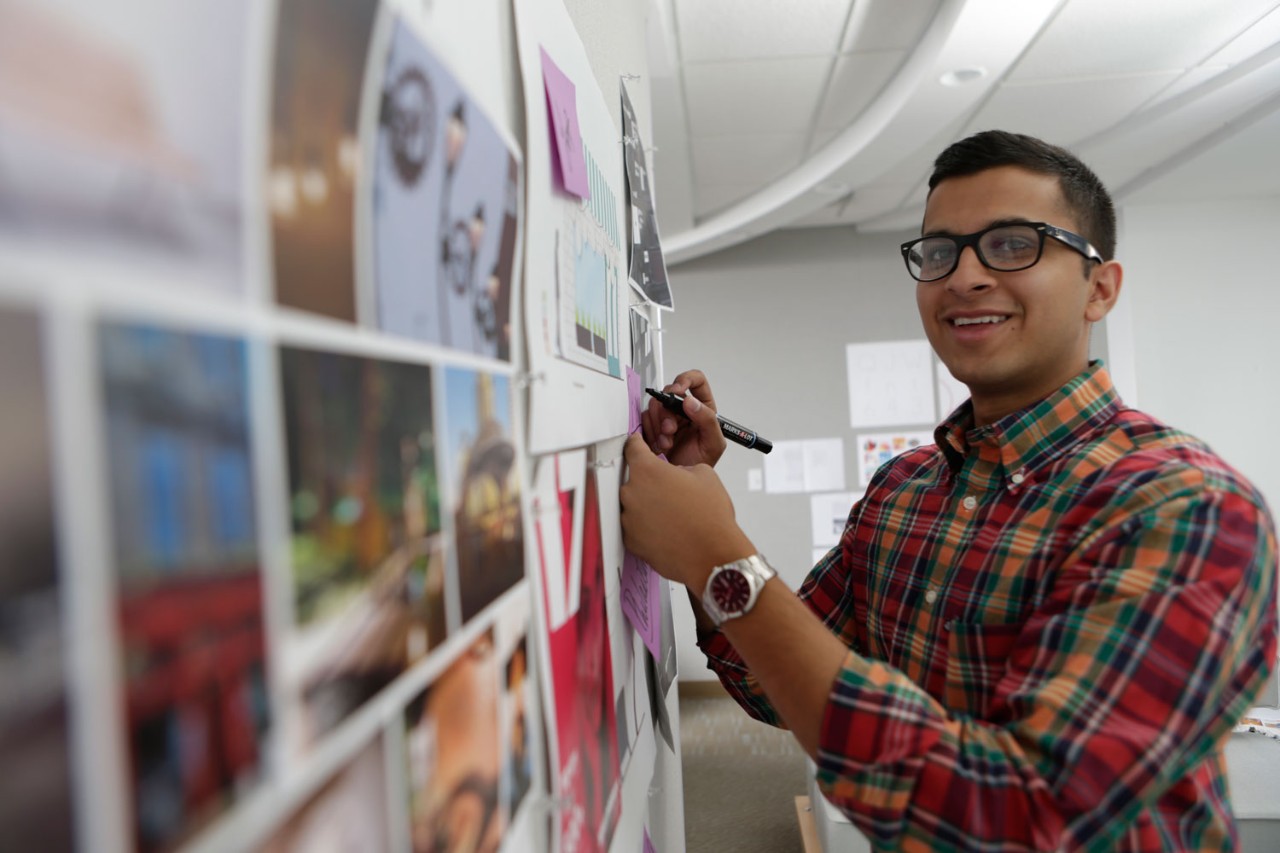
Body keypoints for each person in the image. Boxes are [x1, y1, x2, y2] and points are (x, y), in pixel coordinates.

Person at [620, 130, 1279, 851]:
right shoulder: (905, 490)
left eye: (1013, 244)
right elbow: (773, 680)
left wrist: (719, 555)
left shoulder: (1185, 507)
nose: (964, 277)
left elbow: (1025, 820)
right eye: (940, 252)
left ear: (1101, 287)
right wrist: (696, 507)